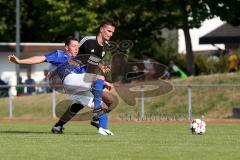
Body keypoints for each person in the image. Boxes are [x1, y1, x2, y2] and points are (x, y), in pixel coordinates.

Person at [8, 36, 114, 135]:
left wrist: (102, 80)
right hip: (69, 80)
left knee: (100, 105)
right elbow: (40, 58)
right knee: (99, 79)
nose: (76, 49)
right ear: (66, 47)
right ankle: (97, 117)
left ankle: (101, 128)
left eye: (77, 46)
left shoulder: (79, 61)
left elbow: (86, 72)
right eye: (73, 46)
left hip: (75, 88)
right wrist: (19, 61)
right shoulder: (60, 54)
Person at [54, 18, 118, 135]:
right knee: (87, 102)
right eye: (109, 31)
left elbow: (92, 62)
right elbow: (73, 54)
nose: (111, 34)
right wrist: (59, 70)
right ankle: (99, 120)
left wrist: (101, 67)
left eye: (112, 32)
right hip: (74, 77)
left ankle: (58, 126)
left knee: (109, 100)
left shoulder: (105, 47)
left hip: (87, 76)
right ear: (101, 29)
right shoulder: (88, 41)